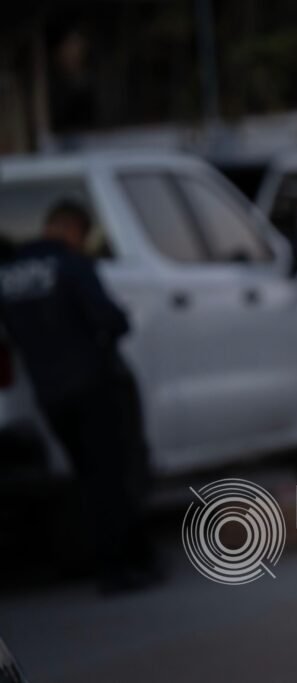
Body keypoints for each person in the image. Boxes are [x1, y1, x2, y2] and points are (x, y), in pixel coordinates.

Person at [0, 200, 159, 594]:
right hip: (93, 387)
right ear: (75, 230)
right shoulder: (71, 265)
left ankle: (109, 562)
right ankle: (120, 567)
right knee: (111, 476)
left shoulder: (10, 274)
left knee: (85, 478)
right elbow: (110, 320)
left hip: (49, 393)